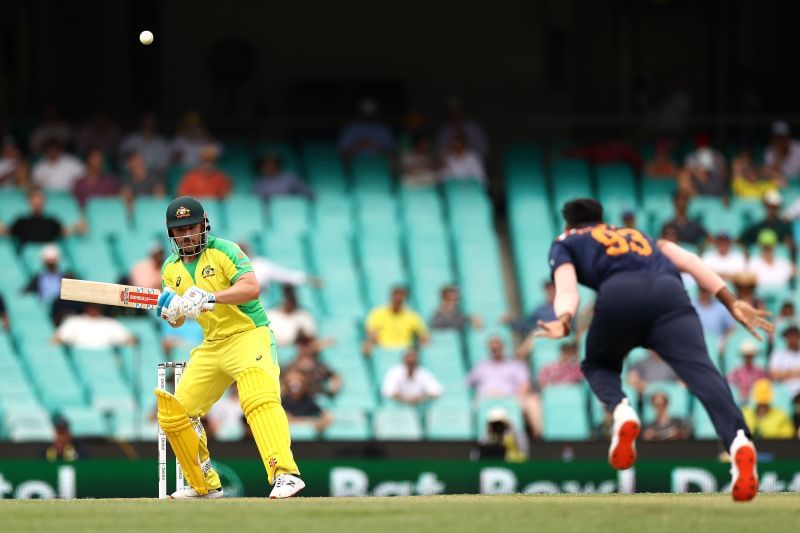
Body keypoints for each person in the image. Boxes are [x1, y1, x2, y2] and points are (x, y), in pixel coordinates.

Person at [535, 198, 771, 501]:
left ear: (568, 224)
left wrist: (564, 320)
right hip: (669, 295)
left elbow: (567, 288)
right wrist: (731, 300)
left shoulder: (565, 241)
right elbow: (689, 261)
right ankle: (739, 443)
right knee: (703, 371)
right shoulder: (638, 235)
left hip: (620, 294)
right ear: (602, 220)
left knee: (598, 365)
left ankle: (622, 412)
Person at [153, 195, 303, 498]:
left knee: (258, 400)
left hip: (249, 334)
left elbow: (251, 288)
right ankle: (204, 485)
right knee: (176, 412)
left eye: (191, 228)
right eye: (179, 231)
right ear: (172, 235)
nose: (186, 236)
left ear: (203, 225)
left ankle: (286, 474)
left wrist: (210, 296)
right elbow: (180, 318)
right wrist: (173, 315)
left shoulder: (224, 251)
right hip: (213, 345)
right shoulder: (171, 268)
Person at [468, 336, 542, 439]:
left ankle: (539, 439)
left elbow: (525, 384)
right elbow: (468, 384)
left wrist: (515, 397)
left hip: (511, 399)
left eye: (498, 346)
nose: (495, 349)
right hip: (485, 400)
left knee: (533, 400)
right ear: (489, 349)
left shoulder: (515, 365)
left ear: (503, 347)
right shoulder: (480, 366)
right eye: (493, 347)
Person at [0, 187, 84, 246]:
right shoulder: (21, 221)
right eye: (34, 198)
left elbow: (64, 232)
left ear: (44, 200)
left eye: (40, 198)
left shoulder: (52, 221)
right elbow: (8, 231)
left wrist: (77, 227)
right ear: (29, 201)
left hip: (50, 258)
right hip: (29, 260)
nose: (37, 201)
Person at [238, 243, 322, 297]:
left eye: (244, 249)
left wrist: (310, 280)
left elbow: (285, 275)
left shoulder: (261, 264)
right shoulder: (228, 267)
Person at [363, 285, 429, 354]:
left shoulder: (413, 316)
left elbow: (424, 337)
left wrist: (421, 345)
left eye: (401, 298)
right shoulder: (377, 314)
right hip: (384, 351)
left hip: (405, 352)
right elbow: (371, 334)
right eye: (396, 297)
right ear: (391, 297)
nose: (398, 299)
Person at [23, 244, 79, 323]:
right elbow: (25, 291)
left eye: (53, 260)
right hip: (48, 308)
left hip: (64, 306)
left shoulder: (66, 275)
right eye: (49, 261)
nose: (51, 263)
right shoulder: (38, 277)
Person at [52, 303, 135, 349]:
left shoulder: (109, 323)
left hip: (106, 359)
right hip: (80, 358)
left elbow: (129, 339)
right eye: (91, 305)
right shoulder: (74, 322)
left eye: (96, 306)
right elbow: (56, 339)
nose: (93, 309)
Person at [281, 369, 332, 433]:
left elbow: (326, 416)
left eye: (299, 380)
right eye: (291, 380)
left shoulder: (308, 401)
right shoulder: (281, 401)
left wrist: (321, 422)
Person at [769, 324, 800, 396]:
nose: (793, 338)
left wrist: (784, 373)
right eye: (790, 335)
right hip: (784, 391)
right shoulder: (778, 354)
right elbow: (774, 375)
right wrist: (796, 373)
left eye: (795, 335)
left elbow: (778, 374)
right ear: (786, 337)